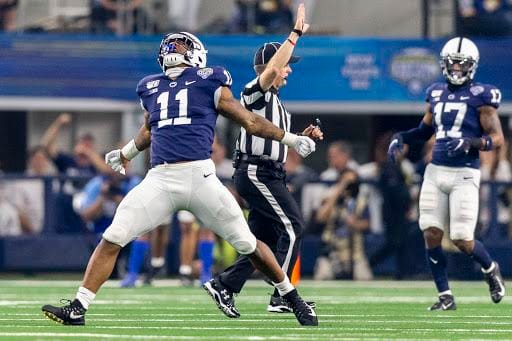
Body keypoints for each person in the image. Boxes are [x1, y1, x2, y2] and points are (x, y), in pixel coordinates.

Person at [41, 28, 317, 326]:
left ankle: (291, 298)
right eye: (175, 43)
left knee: (248, 243)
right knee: (113, 236)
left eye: (181, 44)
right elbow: (152, 128)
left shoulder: (208, 80)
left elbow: (249, 120)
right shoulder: (152, 87)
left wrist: (289, 140)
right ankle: (78, 307)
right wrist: (127, 154)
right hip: (161, 178)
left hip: (199, 176)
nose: (177, 47)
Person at [206, 3, 322, 316]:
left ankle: (225, 285)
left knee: (261, 242)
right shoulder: (253, 92)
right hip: (257, 172)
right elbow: (271, 71)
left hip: (267, 171)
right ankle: (282, 295)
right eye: (287, 65)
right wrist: (295, 34)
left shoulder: (274, 102)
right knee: (294, 227)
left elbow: (276, 138)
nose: (289, 70)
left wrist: (304, 135)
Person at [388, 37, 506, 310]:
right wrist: (401, 137)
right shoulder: (436, 92)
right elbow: (424, 131)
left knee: (462, 239)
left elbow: (497, 138)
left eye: (461, 63)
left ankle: (490, 269)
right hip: (436, 170)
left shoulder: (482, 96)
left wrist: (472, 142)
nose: (455, 68)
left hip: (464, 172)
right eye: (452, 62)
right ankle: (445, 296)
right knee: (430, 231)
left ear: (472, 66)